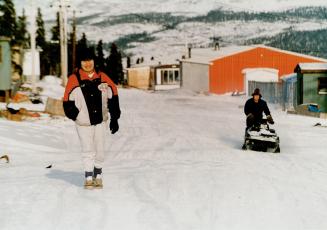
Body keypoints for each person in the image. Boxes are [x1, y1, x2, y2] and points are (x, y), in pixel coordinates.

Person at [63, 48, 121, 189]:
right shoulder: (74, 79)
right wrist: (76, 115)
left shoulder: (102, 77)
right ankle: (89, 177)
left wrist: (115, 118)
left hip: (100, 122)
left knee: (100, 149)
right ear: (80, 63)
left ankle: (98, 174)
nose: (87, 64)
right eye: (84, 61)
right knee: (87, 149)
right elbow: (67, 101)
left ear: (94, 61)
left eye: (90, 60)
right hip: (83, 124)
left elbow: (113, 95)